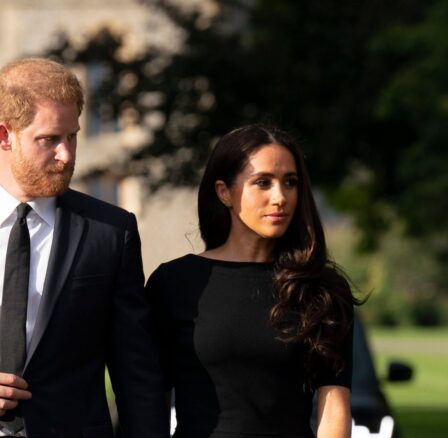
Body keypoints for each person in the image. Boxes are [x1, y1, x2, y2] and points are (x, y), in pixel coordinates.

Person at [0, 58, 168, 438]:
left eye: (73, 136)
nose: (66, 155)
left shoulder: (110, 232)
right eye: (50, 139)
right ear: (4, 136)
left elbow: (136, 374)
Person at [147, 124, 358, 437]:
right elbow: (151, 403)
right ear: (224, 192)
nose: (280, 197)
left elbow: (334, 408)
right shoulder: (173, 283)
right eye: (263, 183)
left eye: (290, 182)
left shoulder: (322, 287)